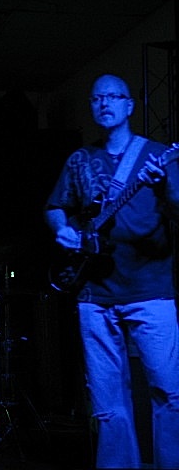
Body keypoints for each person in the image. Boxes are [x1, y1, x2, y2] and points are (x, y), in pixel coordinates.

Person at [44, 73, 179, 469]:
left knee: (170, 392)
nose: (105, 103)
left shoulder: (159, 155)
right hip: (93, 292)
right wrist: (63, 229)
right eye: (97, 98)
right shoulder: (80, 160)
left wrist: (162, 186)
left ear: (129, 105)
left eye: (114, 96)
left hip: (151, 289)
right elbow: (55, 207)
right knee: (107, 402)